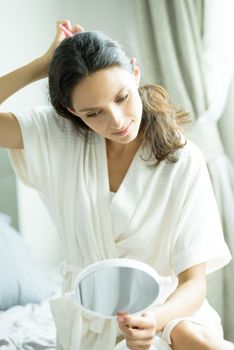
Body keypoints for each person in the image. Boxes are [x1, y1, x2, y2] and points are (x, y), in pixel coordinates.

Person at [0, 20, 233, 350]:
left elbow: (194, 284)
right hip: (91, 316)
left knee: (190, 336)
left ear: (135, 73)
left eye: (122, 97)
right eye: (94, 113)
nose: (118, 121)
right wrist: (41, 66)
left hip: (167, 309)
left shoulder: (182, 159)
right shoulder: (55, 137)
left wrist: (155, 319)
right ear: (72, 110)